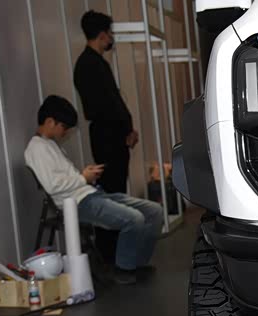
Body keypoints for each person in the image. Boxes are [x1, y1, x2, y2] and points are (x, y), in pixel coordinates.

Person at [25, 96, 162, 285]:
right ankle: (123, 269)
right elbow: (53, 185)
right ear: (50, 122)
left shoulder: (50, 145)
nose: (65, 132)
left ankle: (136, 264)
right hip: (78, 203)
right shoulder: (36, 149)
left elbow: (65, 179)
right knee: (134, 219)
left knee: (155, 211)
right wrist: (83, 177)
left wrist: (85, 175)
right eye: (64, 127)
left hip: (90, 194)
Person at [73, 10, 138, 194]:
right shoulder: (91, 65)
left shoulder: (91, 63)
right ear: (102, 35)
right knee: (114, 186)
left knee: (115, 185)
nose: (111, 39)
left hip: (109, 135)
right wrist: (126, 130)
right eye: (110, 34)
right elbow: (109, 104)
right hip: (109, 137)